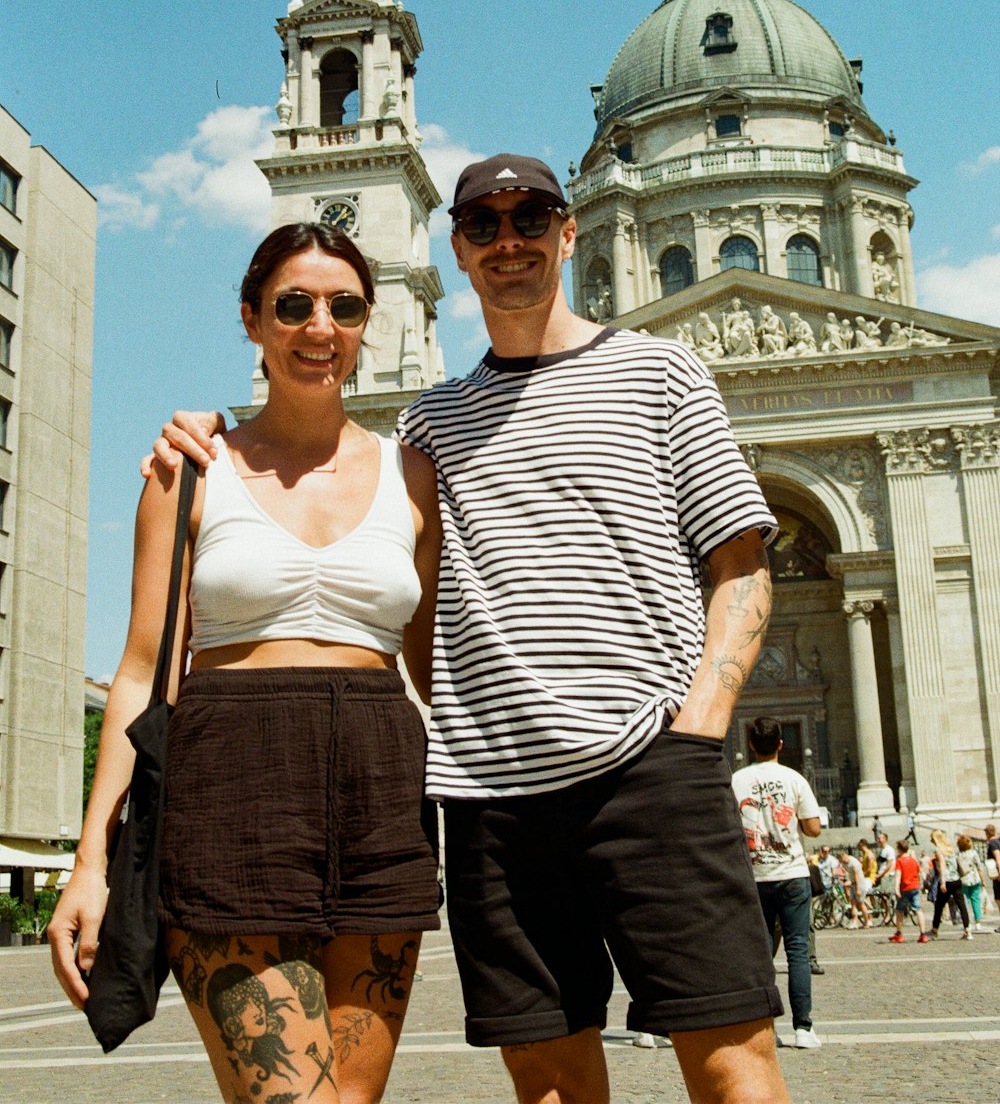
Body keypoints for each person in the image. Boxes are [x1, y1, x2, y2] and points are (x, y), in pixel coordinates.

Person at [150, 155, 792, 1104]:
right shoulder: (428, 426)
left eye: (531, 217)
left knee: (734, 1065)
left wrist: (697, 730)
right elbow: (409, 602)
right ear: (456, 250)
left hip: (653, 773)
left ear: (571, 232)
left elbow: (741, 566)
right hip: (493, 804)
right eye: (484, 226)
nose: (510, 241)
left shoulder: (663, 368)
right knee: (547, 1079)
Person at [50, 224, 443, 1104]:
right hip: (229, 803)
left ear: (367, 323)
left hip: (379, 807)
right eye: (293, 305)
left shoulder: (413, 476)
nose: (319, 327)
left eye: (345, 308)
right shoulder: (189, 470)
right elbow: (143, 671)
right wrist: (91, 860)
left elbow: (428, 670)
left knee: (349, 1099)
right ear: (252, 320)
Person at [732, 717, 822, 1048]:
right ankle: (803, 1028)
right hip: (792, 874)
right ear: (781, 743)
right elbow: (813, 829)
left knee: (761, 952)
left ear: (750, 744)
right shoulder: (794, 779)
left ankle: (760, 1025)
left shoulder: (737, 780)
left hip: (755, 876)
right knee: (798, 950)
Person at [928, 829, 971, 939]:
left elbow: (942, 865)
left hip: (947, 881)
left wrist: (942, 882)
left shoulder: (939, 850)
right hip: (956, 879)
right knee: (962, 906)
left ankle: (935, 930)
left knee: (939, 906)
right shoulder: (950, 848)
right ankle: (968, 930)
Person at [888, 840, 928, 943]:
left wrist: (896, 888)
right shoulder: (913, 860)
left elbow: (898, 875)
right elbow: (920, 872)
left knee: (899, 910)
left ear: (899, 849)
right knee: (918, 910)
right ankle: (923, 933)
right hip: (915, 886)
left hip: (904, 888)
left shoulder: (900, 861)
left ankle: (899, 933)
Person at [956, 835, 986, 932]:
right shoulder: (973, 853)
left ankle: (968, 922)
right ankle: (978, 922)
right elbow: (979, 867)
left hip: (964, 880)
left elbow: (957, 869)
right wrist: (983, 880)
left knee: (966, 901)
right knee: (976, 900)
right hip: (974, 878)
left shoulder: (958, 855)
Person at [837, 848, 872, 928]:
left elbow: (857, 875)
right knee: (853, 903)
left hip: (860, 883)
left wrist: (858, 889)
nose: (843, 862)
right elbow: (847, 872)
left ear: (844, 856)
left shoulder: (854, 862)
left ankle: (866, 922)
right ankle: (855, 922)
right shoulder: (844, 863)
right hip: (853, 883)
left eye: (842, 860)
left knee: (861, 903)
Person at [986, 823, 1000, 933]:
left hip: (998, 875)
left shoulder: (992, 843)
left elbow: (998, 857)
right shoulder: (998, 841)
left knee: (998, 899)